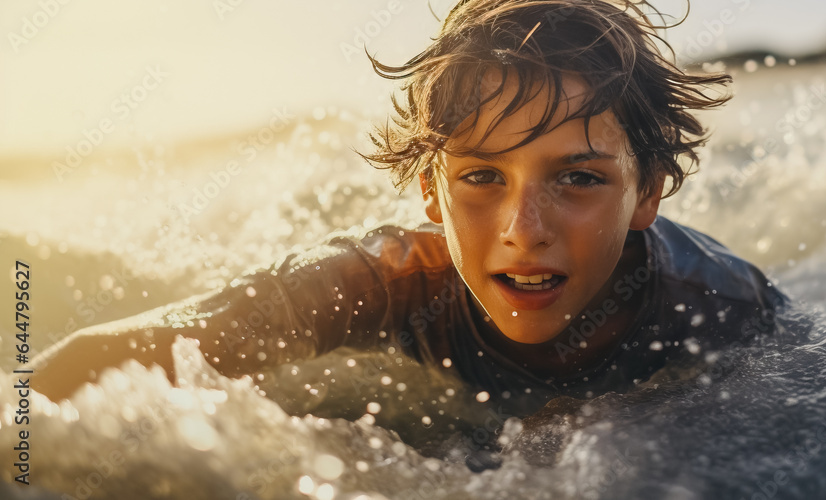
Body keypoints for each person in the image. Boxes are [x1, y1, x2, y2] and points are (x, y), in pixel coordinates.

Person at [31, 0, 787, 419]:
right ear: (430, 191)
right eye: (483, 178)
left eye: (579, 180)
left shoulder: (723, 309)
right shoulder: (384, 280)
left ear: (647, 192)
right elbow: (100, 359)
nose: (525, 232)